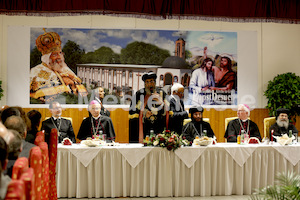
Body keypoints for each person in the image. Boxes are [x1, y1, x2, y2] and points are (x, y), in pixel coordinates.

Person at [30, 30, 87, 103]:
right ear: (47, 58)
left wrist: (72, 83)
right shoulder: (36, 71)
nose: (59, 57)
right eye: (54, 54)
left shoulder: (65, 69)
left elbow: (82, 93)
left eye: (60, 53)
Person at [129, 72, 168, 143]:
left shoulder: (161, 93)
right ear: (145, 84)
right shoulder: (139, 94)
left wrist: (161, 103)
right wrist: (144, 112)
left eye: (151, 81)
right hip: (144, 126)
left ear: (155, 82)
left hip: (158, 125)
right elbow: (132, 110)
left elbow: (168, 110)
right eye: (147, 82)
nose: (149, 84)